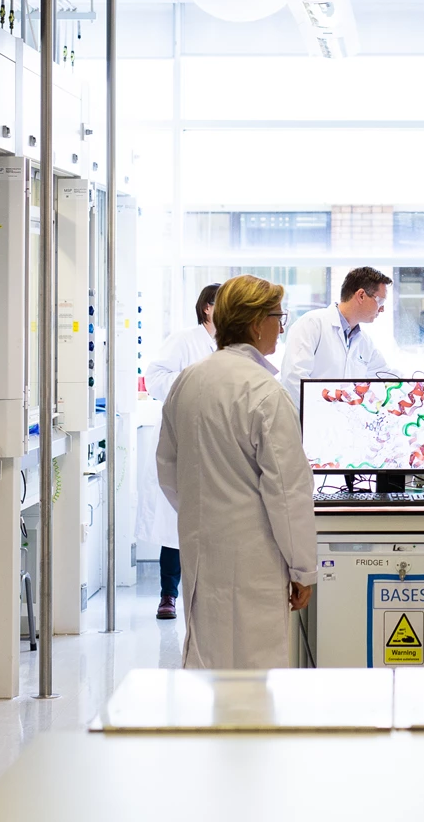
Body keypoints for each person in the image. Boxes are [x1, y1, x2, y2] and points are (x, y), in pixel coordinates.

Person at [157, 275, 318, 670]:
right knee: (254, 674)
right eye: (278, 317)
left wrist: (202, 514)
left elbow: (167, 469)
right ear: (255, 323)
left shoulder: (188, 381)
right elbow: (287, 491)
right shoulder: (264, 391)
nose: (282, 327)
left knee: (206, 663)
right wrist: (303, 569)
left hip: (201, 551)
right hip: (256, 560)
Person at [137, 283, 219, 621]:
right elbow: (154, 375)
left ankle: (209, 595)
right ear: (207, 309)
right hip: (183, 436)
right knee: (174, 522)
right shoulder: (185, 339)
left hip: (218, 441)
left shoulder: (233, 343)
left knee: (216, 522)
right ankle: (168, 595)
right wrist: (192, 384)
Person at [278, 267, 397, 405]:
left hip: (343, 423)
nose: (382, 309)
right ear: (361, 295)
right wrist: (326, 413)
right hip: (309, 422)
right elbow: (293, 379)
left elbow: (387, 377)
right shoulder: (312, 324)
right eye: (380, 302)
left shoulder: (364, 342)